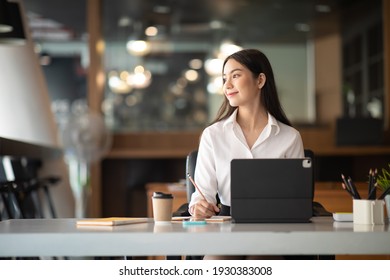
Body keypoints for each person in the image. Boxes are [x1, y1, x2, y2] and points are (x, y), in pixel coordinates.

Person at [188, 49, 304, 259]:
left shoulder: (290, 137)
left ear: (260, 80)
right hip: (225, 232)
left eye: (235, 75)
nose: (227, 85)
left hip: (274, 231)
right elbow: (201, 194)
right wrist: (199, 207)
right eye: (224, 78)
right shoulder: (213, 135)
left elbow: (296, 200)